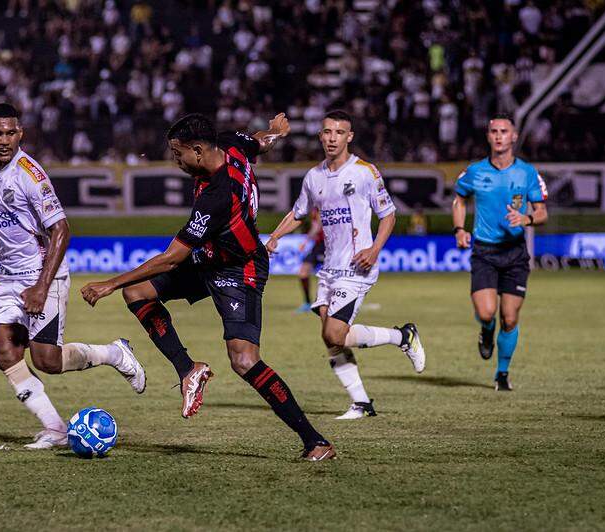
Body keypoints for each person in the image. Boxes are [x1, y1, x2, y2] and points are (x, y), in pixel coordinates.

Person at [80, 113, 336, 461]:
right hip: (210, 258)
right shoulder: (231, 144)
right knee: (138, 291)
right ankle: (188, 370)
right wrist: (275, 133)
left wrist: (109, 284)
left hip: (240, 268)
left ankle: (315, 441)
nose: (176, 160)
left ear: (198, 150)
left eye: (178, 153)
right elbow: (259, 141)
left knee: (244, 361)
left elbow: (171, 258)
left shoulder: (217, 195)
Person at [0, 103, 145, 449]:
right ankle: (55, 429)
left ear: (20, 133)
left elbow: (62, 230)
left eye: (10, 133)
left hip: (43, 274)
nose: (4, 140)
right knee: (4, 351)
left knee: (46, 361)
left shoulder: (29, 174)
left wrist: (41, 286)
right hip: (9, 277)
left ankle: (113, 353)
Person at [266, 110, 426, 420]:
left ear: (349, 137)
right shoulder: (314, 177)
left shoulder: (365, 172)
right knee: (331, 338)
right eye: (327, 132)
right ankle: (362, 402)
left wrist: (375, 248)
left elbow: (389, 215)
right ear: (320, 135)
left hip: (357, 267)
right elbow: (298, 213)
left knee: (335, 334)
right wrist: (273, 237)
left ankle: (402, 337)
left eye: (339, 133)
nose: (331, 138)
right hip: (329, 269)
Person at [452, 113, 548, 391]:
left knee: (510, 318)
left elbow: (542, 212)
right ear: (488, 136)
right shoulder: (475, 171)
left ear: (514, 136)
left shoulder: (527, 173)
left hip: (515, 253)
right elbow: (459, 198)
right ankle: (485, 331)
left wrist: (526, 219)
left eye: (504, 131)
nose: (498, 135)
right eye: (493, 131)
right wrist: (459, 229)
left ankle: (502, 373)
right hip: (484, 251)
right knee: (486, 313)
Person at [296, 209, 324, 313]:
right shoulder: (314, 208)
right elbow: (316, 226)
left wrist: (306, 240)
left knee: (334, 275)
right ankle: (307, 303)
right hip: (318, 246)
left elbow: (317, 226)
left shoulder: (323, 205)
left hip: (329, 246)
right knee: (303, 272)